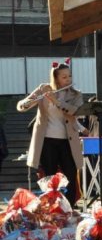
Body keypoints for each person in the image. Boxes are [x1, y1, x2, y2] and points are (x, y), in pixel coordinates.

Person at [17, 59, 83, 204]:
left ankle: (70, 207)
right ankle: (52, 208)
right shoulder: (44, 89)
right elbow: (21, 105)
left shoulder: (76, 94)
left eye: (69, 76)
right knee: (49, 176)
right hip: (47, 140)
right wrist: (28, 103)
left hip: (68, 141)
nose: (68, 80)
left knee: (70, 176)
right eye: (64, 77)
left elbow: (75, 111)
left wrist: (57, 101)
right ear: (56, 78)